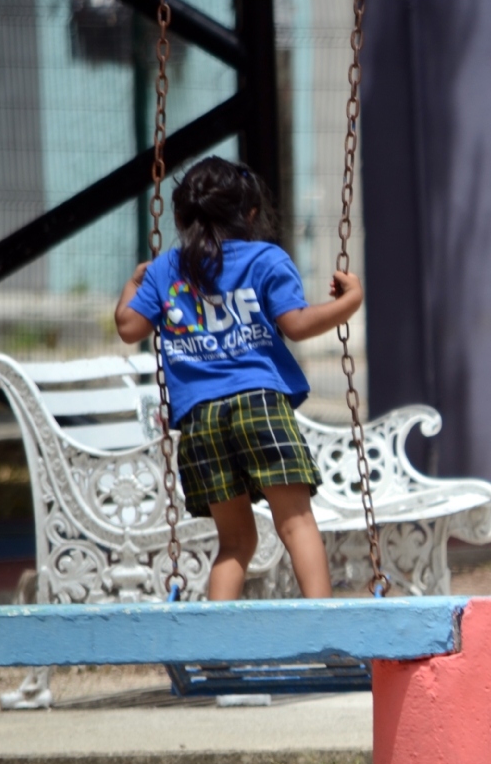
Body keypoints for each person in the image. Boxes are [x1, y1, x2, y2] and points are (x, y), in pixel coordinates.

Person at [114, 157, 363, 601]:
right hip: (259, 405)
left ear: (180, 216)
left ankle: (215, 651)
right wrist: (351, 301)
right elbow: (298, 324)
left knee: (235, 543)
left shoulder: (166, 269)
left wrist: (136, 283)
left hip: (199, 418)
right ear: (249, 214)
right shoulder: (266, 258)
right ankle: (328, 633)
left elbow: (129, 327)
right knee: (296, 522)